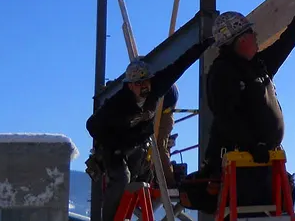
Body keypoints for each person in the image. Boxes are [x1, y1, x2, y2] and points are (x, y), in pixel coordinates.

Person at [86, 38, 212, 221]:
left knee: (143, 175)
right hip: (114, 147)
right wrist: (113, 144)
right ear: (130, 86)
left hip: (137, 143)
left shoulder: (157, 88)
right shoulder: (117, 104)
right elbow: (91, 125)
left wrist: (202, 45)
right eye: (139, 84)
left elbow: (179, 66)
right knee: (122, 178)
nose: (144, 87)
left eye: (146, 82)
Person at [202, 0, 295, 171]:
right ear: (242, 39)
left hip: (264, 159)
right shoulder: (223, 72)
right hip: (241, 163)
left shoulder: (258, 65)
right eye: (252, 33)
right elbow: (226, 116)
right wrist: (252, 145)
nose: (256, 37)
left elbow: (286, 42)